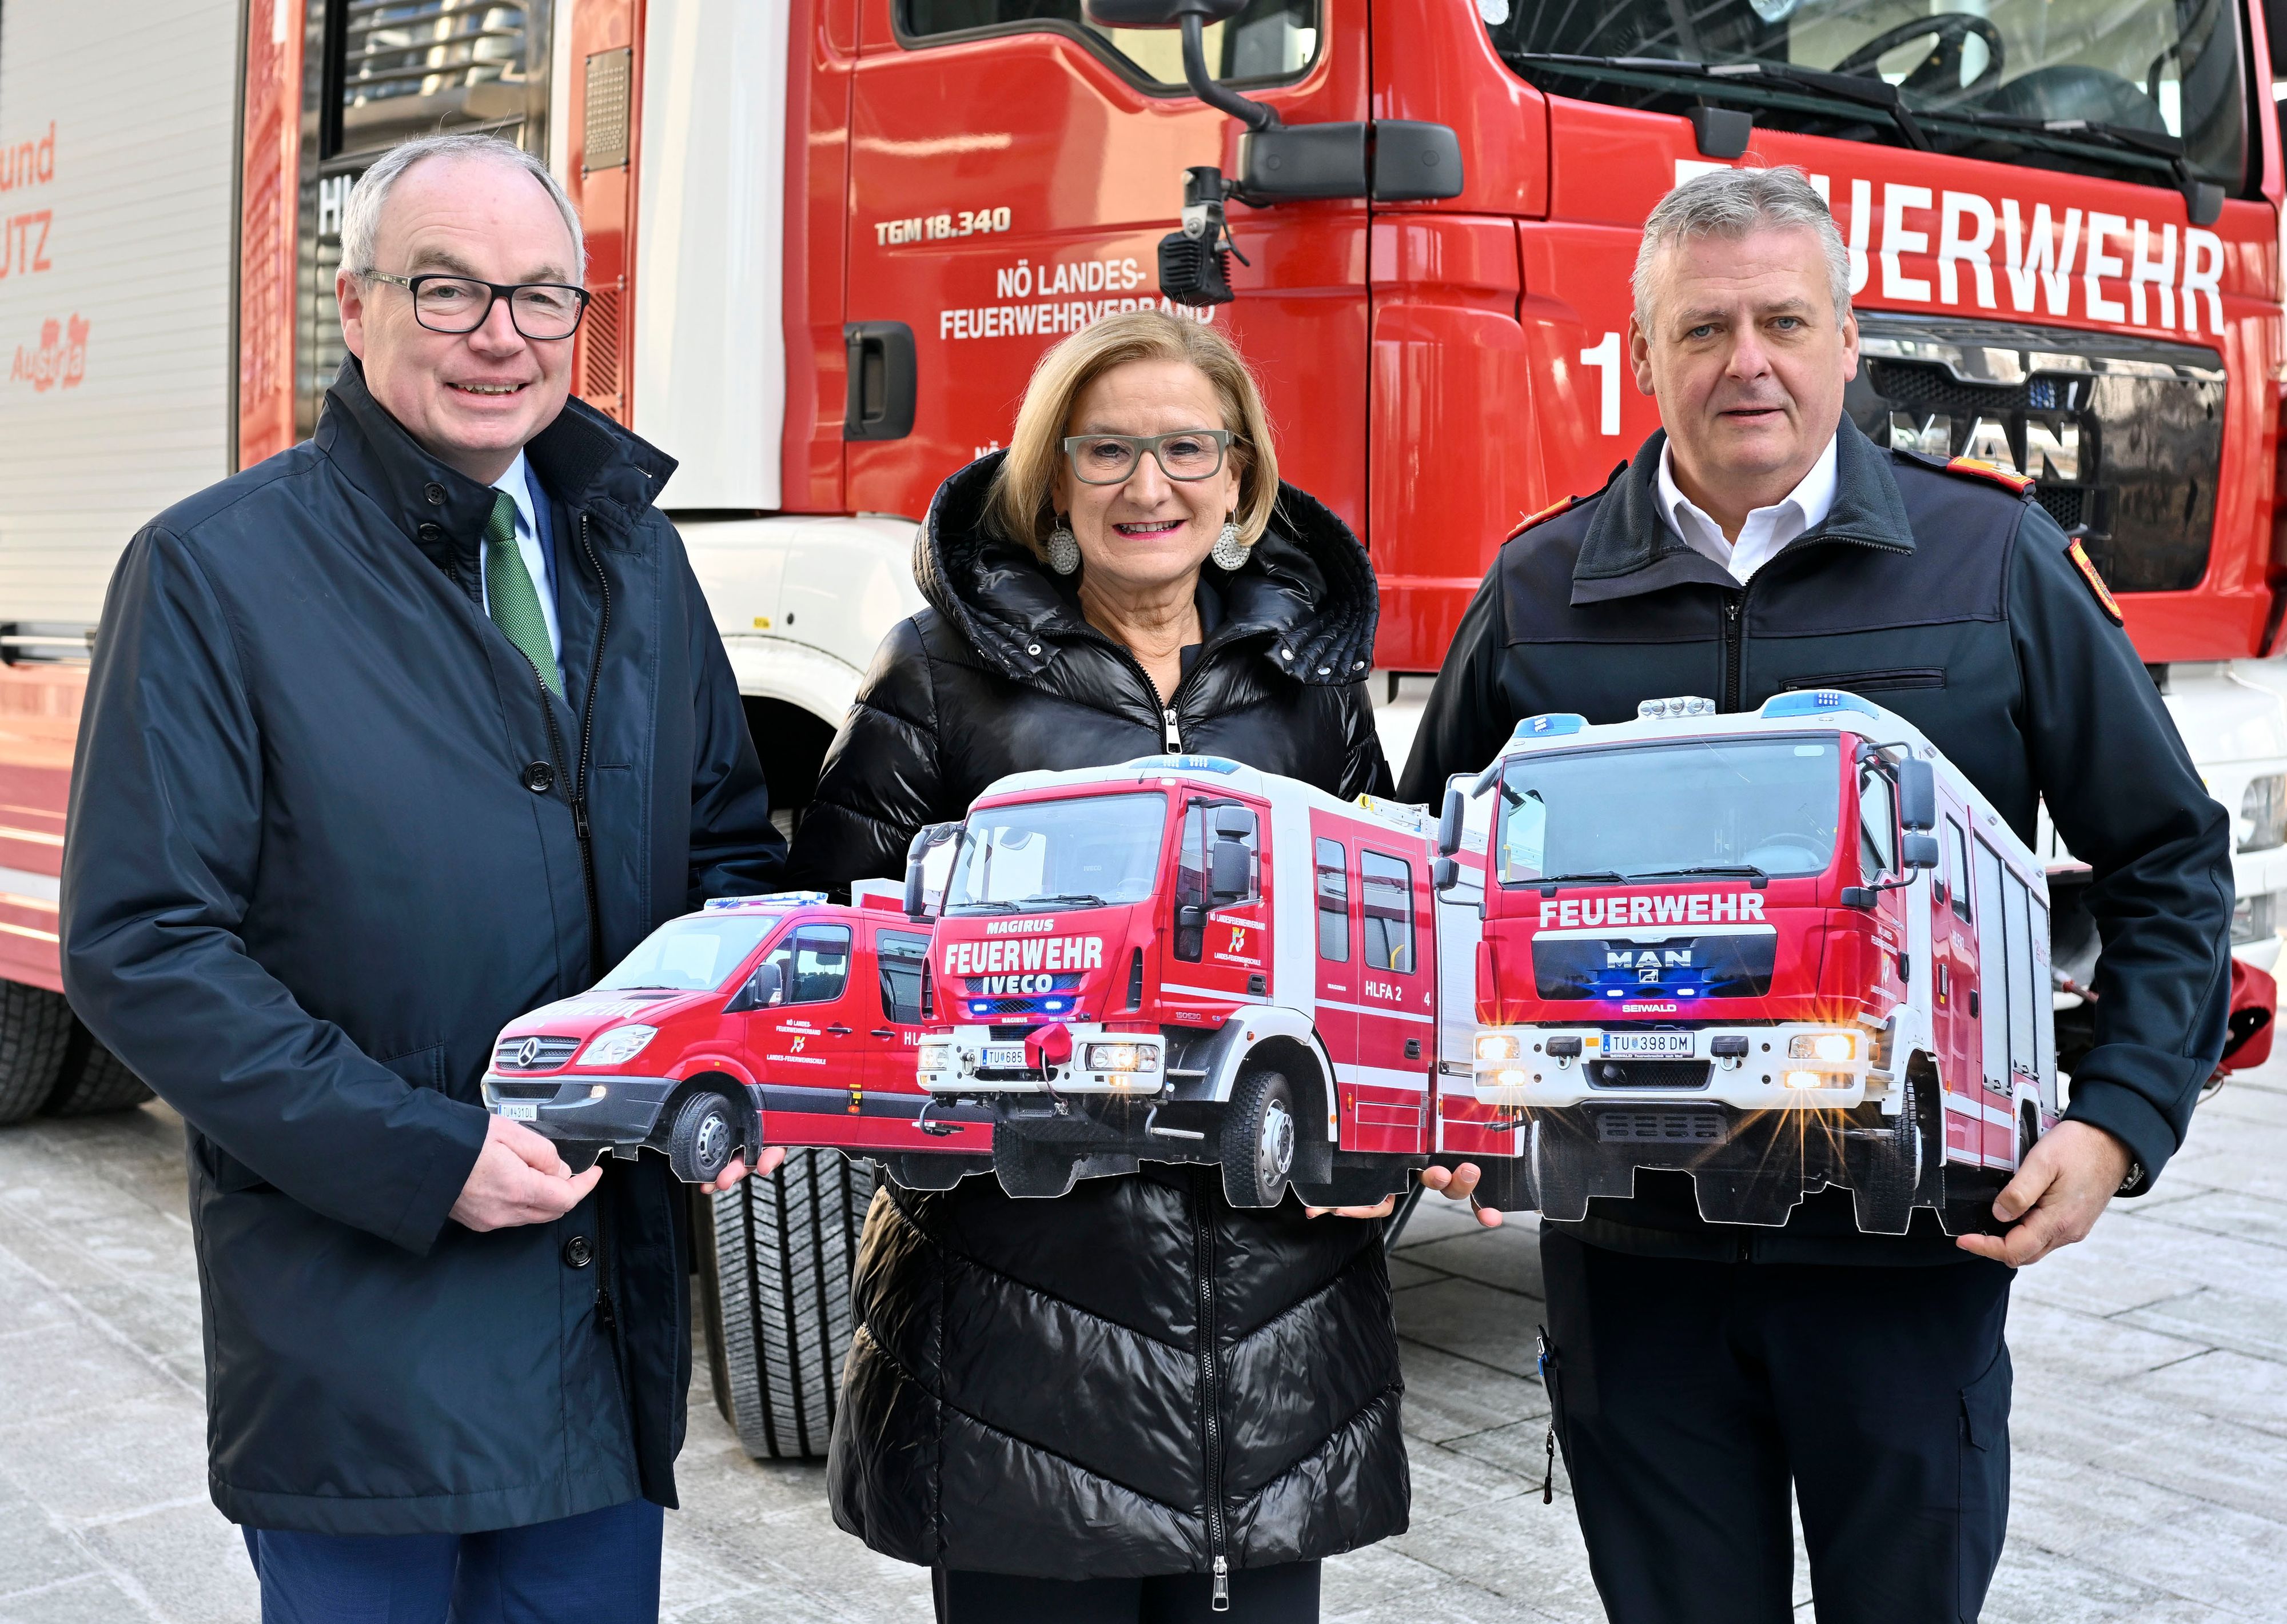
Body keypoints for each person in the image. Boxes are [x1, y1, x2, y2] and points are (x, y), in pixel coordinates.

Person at [1401, 165, 2232, 1622]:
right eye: (1703, 327)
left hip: (1905, 1265)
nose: (1747, 362)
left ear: (1848, 341)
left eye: (1784, 319)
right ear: (1641, 349)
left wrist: (2115, 1123)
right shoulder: (1535, 590)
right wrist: (1437, 1108)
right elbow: (1436, 887)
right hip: (1629, 1266)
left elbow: (2166, 860)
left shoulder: (1997, 563)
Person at [61, 132, 785, 1622]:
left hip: (598, 1326)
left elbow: (725, 851)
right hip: (362, 1344)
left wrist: (749, 1053)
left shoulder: (635, 558)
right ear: (359, 302)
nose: (500, 336)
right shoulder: (213, 574)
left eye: (538, 297)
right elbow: (146, 944)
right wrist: (424, 1153)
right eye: (449, 291)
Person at [788, 309, 1409, 1622]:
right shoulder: (940, 677)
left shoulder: (1310, 686)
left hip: (1271, 1337)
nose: (1149, 486)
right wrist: (961, 1113)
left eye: (1189, 447)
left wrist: (1381, 1162)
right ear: (1049, 479)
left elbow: (1398, 952)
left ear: (1241, 475)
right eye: (1106, 449)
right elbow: (835, 948)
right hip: (1021, 1342)